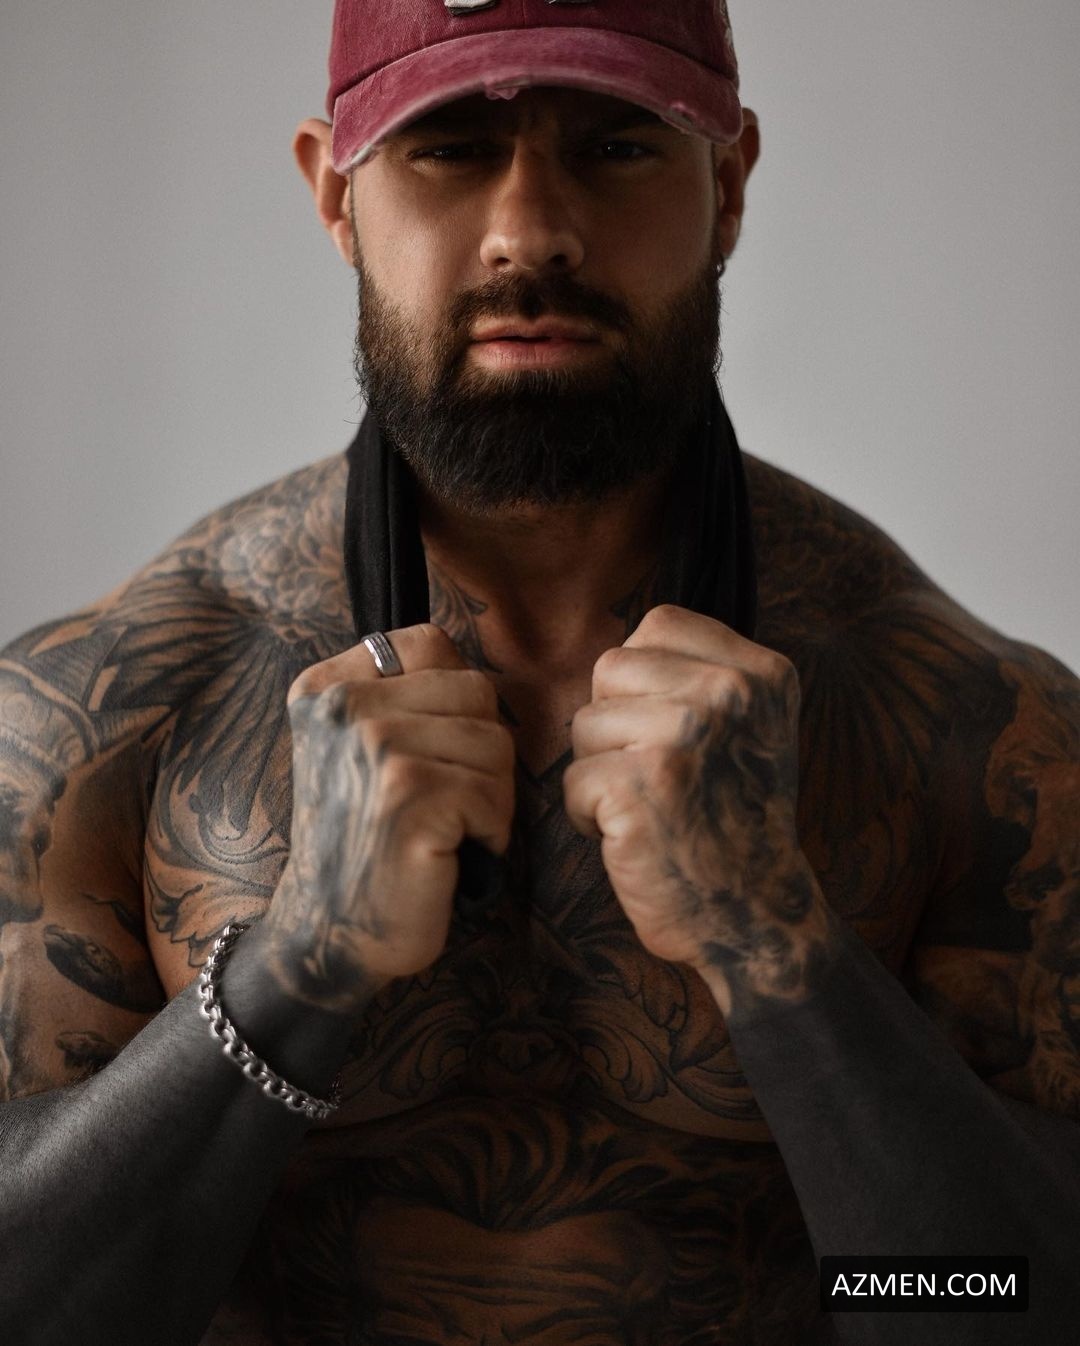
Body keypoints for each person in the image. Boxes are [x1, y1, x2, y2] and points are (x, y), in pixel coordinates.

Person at [0, 1, 1077, 1343]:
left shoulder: (975, 731)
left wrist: (778, 946)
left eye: (618, 147)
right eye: (449, 149)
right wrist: (298, 963)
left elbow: (1008, 1308)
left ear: (729, 185)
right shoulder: (99, 719)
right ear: (336, 196)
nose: (532, 231)